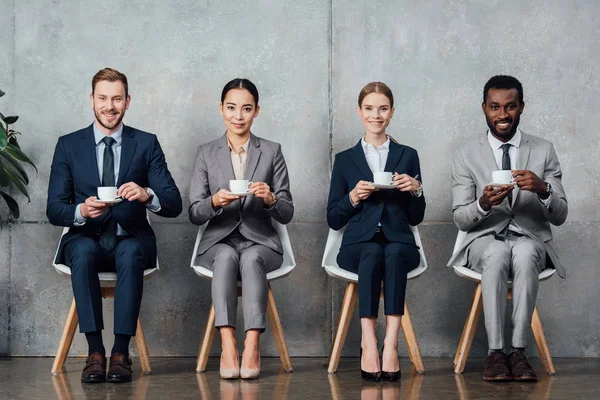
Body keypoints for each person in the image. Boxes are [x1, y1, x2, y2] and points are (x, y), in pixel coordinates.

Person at [47, 68, 182, 383]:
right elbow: (54, 208)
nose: (110, 106)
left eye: (117, 99)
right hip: (85, 237)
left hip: (130, 238)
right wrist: (81, 210)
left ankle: (121, 352)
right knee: (80, 251)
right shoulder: (69, 145)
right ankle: (95, 352)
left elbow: (173, 203)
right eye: (103, 98)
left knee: (132, 252)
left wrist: (147, 194)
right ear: (92, 100)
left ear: (128, 101)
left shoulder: (146, 144)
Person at [448, 75, 568, 381]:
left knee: (526, 253)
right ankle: (496, 352)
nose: (502, 115)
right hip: (483, 239)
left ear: (521, 107)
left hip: (530, 237)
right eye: (495, 107)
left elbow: (560, 215)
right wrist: (483, 204)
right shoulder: (465, 153)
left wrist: (543, 190)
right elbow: (461, 218)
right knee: (498, 253)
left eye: (510, 107)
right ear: (484, 109)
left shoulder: (543, 149)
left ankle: (518, 351)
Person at [189, 78, 294, 380]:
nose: (238, 116)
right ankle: (227, 345)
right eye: (232, 108)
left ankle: (251, 345)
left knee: (250, 259)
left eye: (246, 109)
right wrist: (214, 201)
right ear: (221, 109)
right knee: (226, 257)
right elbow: (194, 213)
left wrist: (271, 198)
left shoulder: (272, 151)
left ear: (256, 111)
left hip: (261, 242)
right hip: (218, 240)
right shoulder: (206, 153)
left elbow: (287, 212)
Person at [327, 82, 425, 382]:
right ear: (359, 112)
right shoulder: (345, 159)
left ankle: (391, 344)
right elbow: (333, 217)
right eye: (369, 108)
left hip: (400, 241)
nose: (376, 115)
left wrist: (416, 190)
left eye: (383, 108)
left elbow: (416, 217)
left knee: (393, 253)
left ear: (392, 113)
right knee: (371, 252)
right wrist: (354, 197)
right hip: (357, 244)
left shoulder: (408, 154)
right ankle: (368, 342)